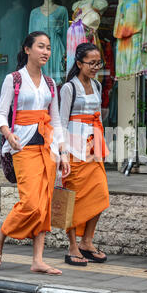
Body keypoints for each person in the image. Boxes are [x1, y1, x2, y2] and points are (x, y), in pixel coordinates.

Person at [0, 31, 70, 276]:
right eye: (40, 47)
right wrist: (7, 133)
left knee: (44, 204)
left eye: (48, 48)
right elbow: (1, 113)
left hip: (46, 148)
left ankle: (38, 260)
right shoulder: (13, 79)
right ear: (27, 50)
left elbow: (55, 120)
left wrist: (63, 152)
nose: (45, 51)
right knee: (31, 204)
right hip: (21, 147)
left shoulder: (50, 84)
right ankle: (1, 234)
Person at [60, 43, 110, 266]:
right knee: (73, 199)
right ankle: (72, 246)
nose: (95, 67)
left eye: (98, 63)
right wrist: (61, 153)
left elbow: (98, 117)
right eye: (91, 63)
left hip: (93, 149)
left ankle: (87, 242)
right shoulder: (69, 88)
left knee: (100, 195)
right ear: (79, 63)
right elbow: (61, 123)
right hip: (72, 150)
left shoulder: (97, 85)